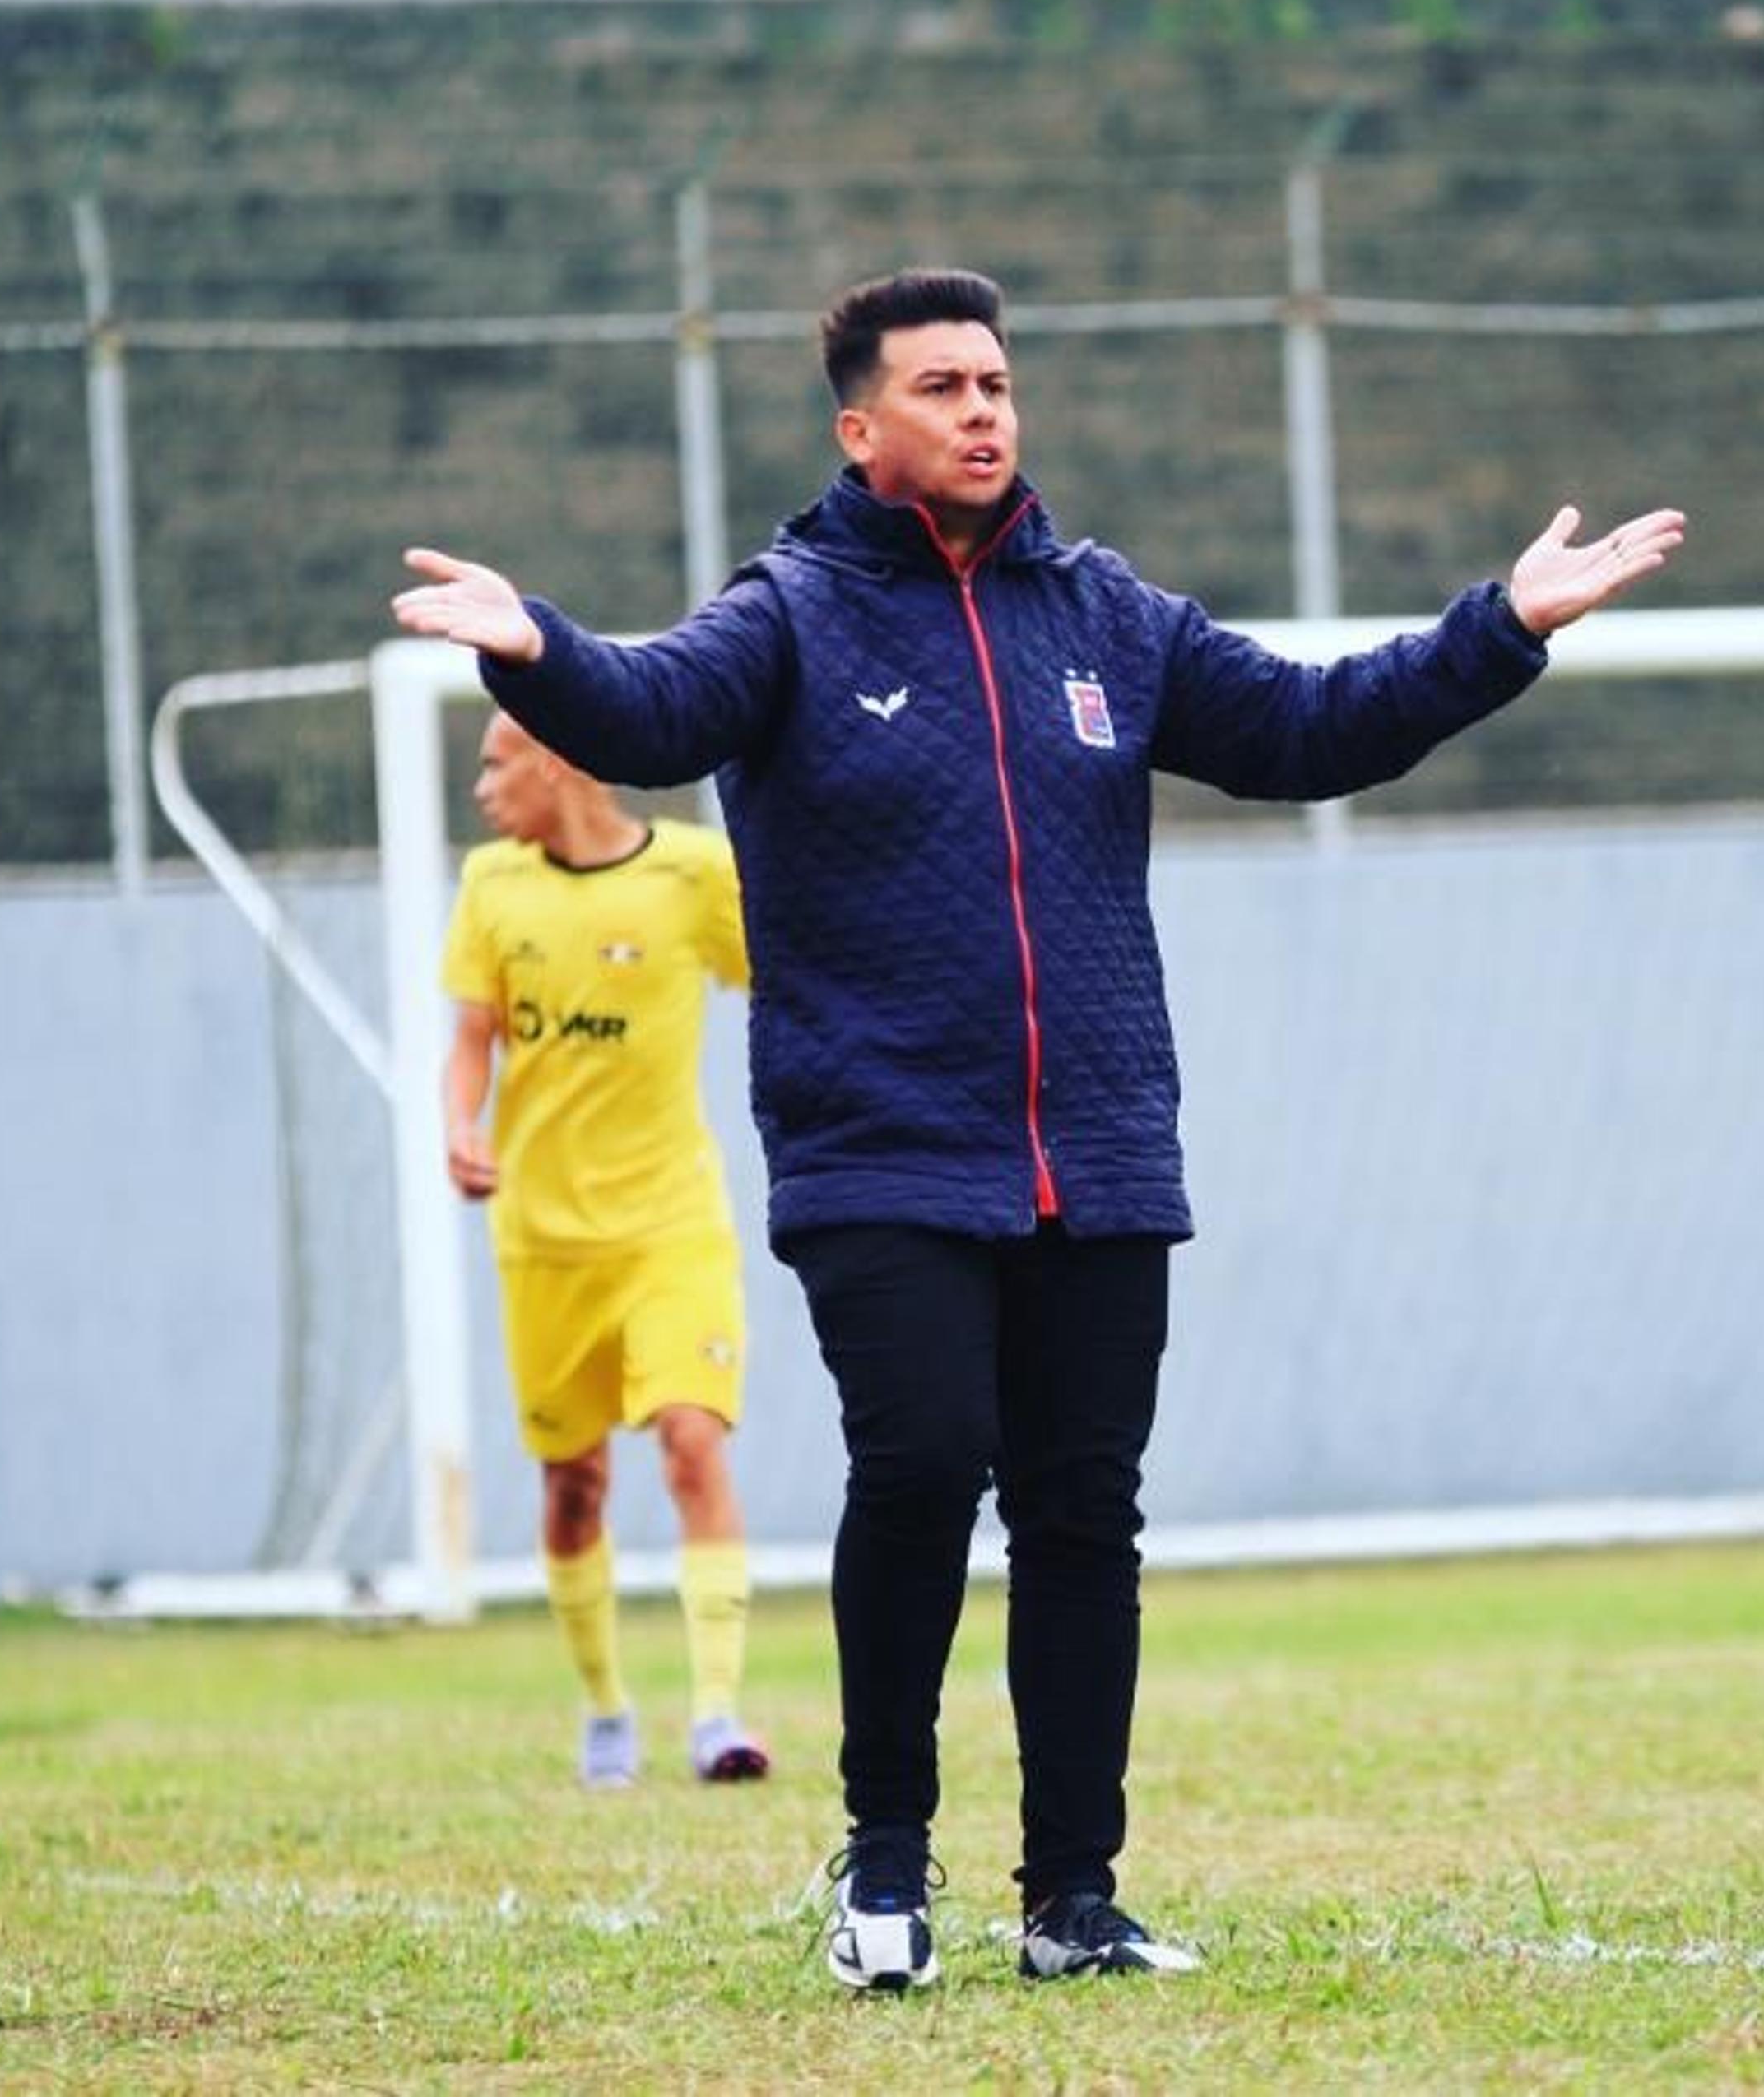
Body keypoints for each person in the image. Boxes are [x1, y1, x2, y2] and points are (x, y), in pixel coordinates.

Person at [394, 267, 1683, 1988]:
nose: (983, 410)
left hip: (1101, 1149)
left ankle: (1075, 1899)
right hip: (881, 1150)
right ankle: (885, 1870)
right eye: (941, 387)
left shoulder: (1108, 615)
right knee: (922, 1466)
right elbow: (654, 706)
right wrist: (538, 644)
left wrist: (1499, 629)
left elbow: (1311, 729)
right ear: (863, 431)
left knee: (1084, 1513)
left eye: (997, 381)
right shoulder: (788, 613)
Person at [441, 709, 771, 1794]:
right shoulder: (493, 885)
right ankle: (604, 1710)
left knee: (690, 1441)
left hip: (671, 1224)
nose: (484, 789)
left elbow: (785, 977)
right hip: (543, 1240)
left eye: (497, 764)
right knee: (573, 1482)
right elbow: (472, 1040)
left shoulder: (693, 874)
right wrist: (461, 1125)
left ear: (559, 759)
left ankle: (719, 1711)